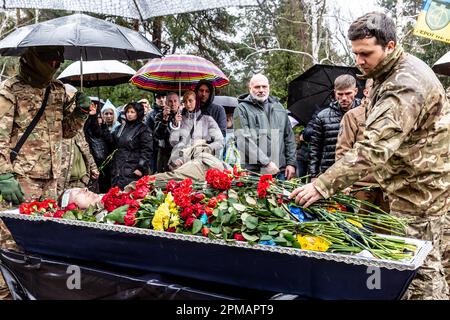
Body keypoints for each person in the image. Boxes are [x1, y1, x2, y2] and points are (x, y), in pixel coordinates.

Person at [290, 12, 450, 300]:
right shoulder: (382, 73)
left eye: (366, 53)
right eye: (355, 53)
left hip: (420, 194)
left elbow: (374, 147)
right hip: (408, 187)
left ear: (390, 46)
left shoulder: (406, 84)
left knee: (419, 275)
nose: (359, 61)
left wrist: (321, 185)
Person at [60, 143, 227, 210]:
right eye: (78, 193)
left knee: (198, 146)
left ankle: (198, 153)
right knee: (201, 158)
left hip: (190, 174)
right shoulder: (104, 211)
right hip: (197, 175)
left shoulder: (106, 198)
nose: (84, 189)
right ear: (73, 210)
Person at [234, 74, 296, 180]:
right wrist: (266, 162)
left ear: (269, 87)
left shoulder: (279, 107)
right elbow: (243, 140)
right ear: (250, 88)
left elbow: (289, 137)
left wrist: (291, 163)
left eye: (264, 86)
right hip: (255, 173)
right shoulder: (242, 109)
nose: (261, 90)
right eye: (257, 87)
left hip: (280, 171)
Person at [308, 74, 361, 178]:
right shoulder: (322, 116)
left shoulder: (365, 112)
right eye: (340, 94)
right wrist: (313, 175)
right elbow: (315, 148)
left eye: (348, 93)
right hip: (329, 171)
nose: (344, 98)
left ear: (355, 91)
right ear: (334, 93)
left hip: (357, 172)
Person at [102, 102, 153, 190]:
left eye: (132, 112)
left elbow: (147, 150)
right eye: (127, 112)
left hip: (133, 168)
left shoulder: (143, 129)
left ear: (138, 113)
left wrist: (140, 168)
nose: (129, 114)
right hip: (118, 168)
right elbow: (111, 141)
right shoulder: (121, 127)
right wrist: (103, 126)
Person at [168, 90, 224, 170]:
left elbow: (220, 142)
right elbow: (173, 142)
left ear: (196, 101)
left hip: (200, 161)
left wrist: (205, 147)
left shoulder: (207, 120)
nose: (187, 104)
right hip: (180, 161)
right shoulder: (180, 119)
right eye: (185, 101)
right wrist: (176, 125)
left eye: (190, 101)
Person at [154, 92, 182, 173]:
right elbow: (158, 135)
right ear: (166, 103)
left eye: (175, 101)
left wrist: (177, 125)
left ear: (179, 102)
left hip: (179, 154)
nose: (173, 104)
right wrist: (164, 120)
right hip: (164, 154)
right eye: (170, 101)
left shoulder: (183, 115)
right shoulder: (160, 116)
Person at [145, 93, 166, 174]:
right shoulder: (150, 115)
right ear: (155, 99)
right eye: (158, 97)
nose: (161, 99)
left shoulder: (173, 111)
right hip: (155, 150)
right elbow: (148, 134)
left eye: (163, 96)